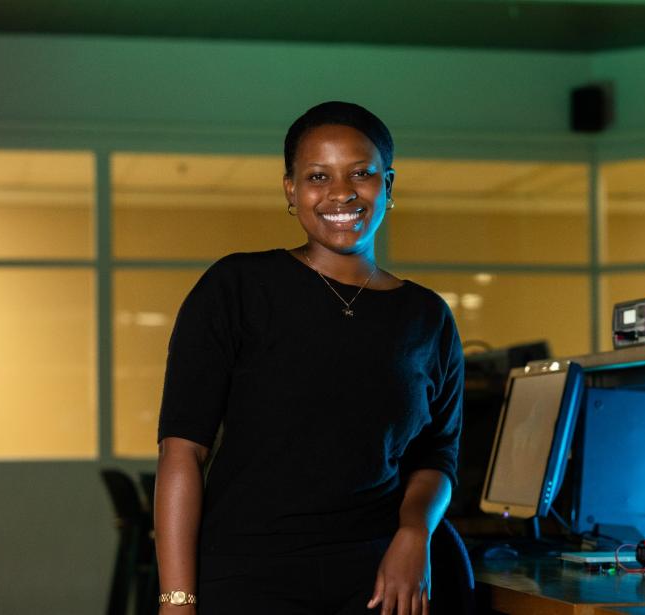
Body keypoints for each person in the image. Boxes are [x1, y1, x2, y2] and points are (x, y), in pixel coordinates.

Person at [154, 101, 464, 615]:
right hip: (244, 574)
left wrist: (415, 532)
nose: (341, 193)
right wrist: (177, 601)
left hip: (375, 580)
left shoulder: (427, 317)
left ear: (388, 184)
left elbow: (436, 458)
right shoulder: (237, 288)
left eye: (361, 174)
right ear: (290, 190)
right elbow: (181, 451)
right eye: (318, 176)